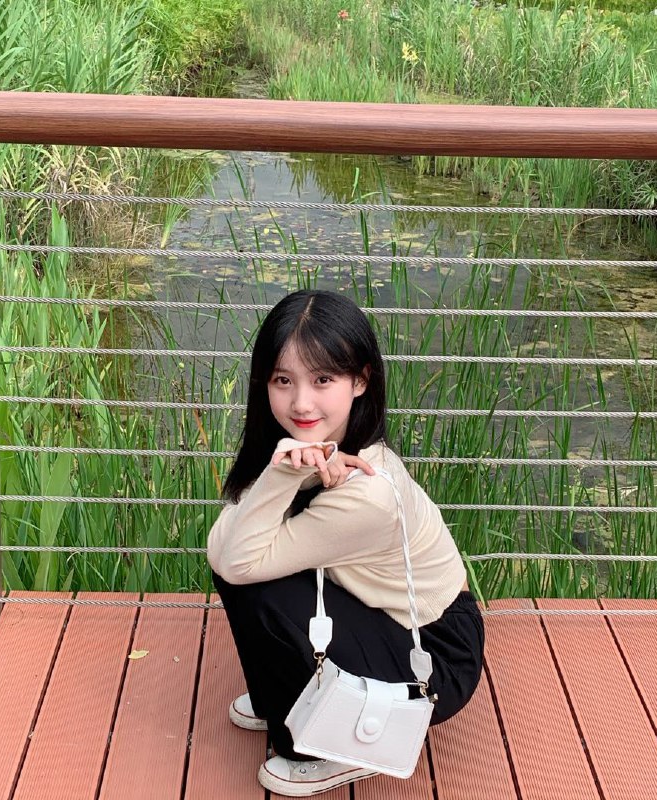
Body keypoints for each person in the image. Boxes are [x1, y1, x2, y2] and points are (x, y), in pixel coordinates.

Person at [207, 289, 484, 796]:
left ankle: (325, 749)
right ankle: (278, 698)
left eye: (322, 380)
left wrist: (283, 476)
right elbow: (225, 545)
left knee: (262, 586)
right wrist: (286, 469)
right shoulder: (315, 448)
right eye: (283, 380)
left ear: (360, 380)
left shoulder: (368, 492)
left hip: (433, 654)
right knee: (247, 557)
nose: (300, 402)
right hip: (380, 613)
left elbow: (236, 562)